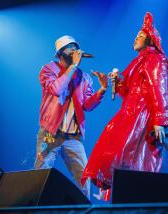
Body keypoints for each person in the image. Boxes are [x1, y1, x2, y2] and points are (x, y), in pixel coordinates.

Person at [81, 12, 168, 199]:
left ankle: (131, 198)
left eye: (139, 35)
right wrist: (119, 83)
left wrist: (160, 119)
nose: (135, 38)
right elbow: (131, 90)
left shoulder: (154, 58)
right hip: (131, 112)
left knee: (131, 160)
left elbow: (159, 88)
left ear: (150, 39)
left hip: (141, 115)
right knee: (119, 156)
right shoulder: (140, 60)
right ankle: (121, 195)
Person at [34, 35, 108, 198]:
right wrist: (73, 66)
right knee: (41, 174)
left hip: (73, 137)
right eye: (71, 47)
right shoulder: (48, 69)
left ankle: (83, 211)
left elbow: (88, 106)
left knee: (84, 178)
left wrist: (102, 89)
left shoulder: (85, 77)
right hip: (50, 134)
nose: (75, 50)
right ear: (60, 52)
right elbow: (56, 89)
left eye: (76, 47)